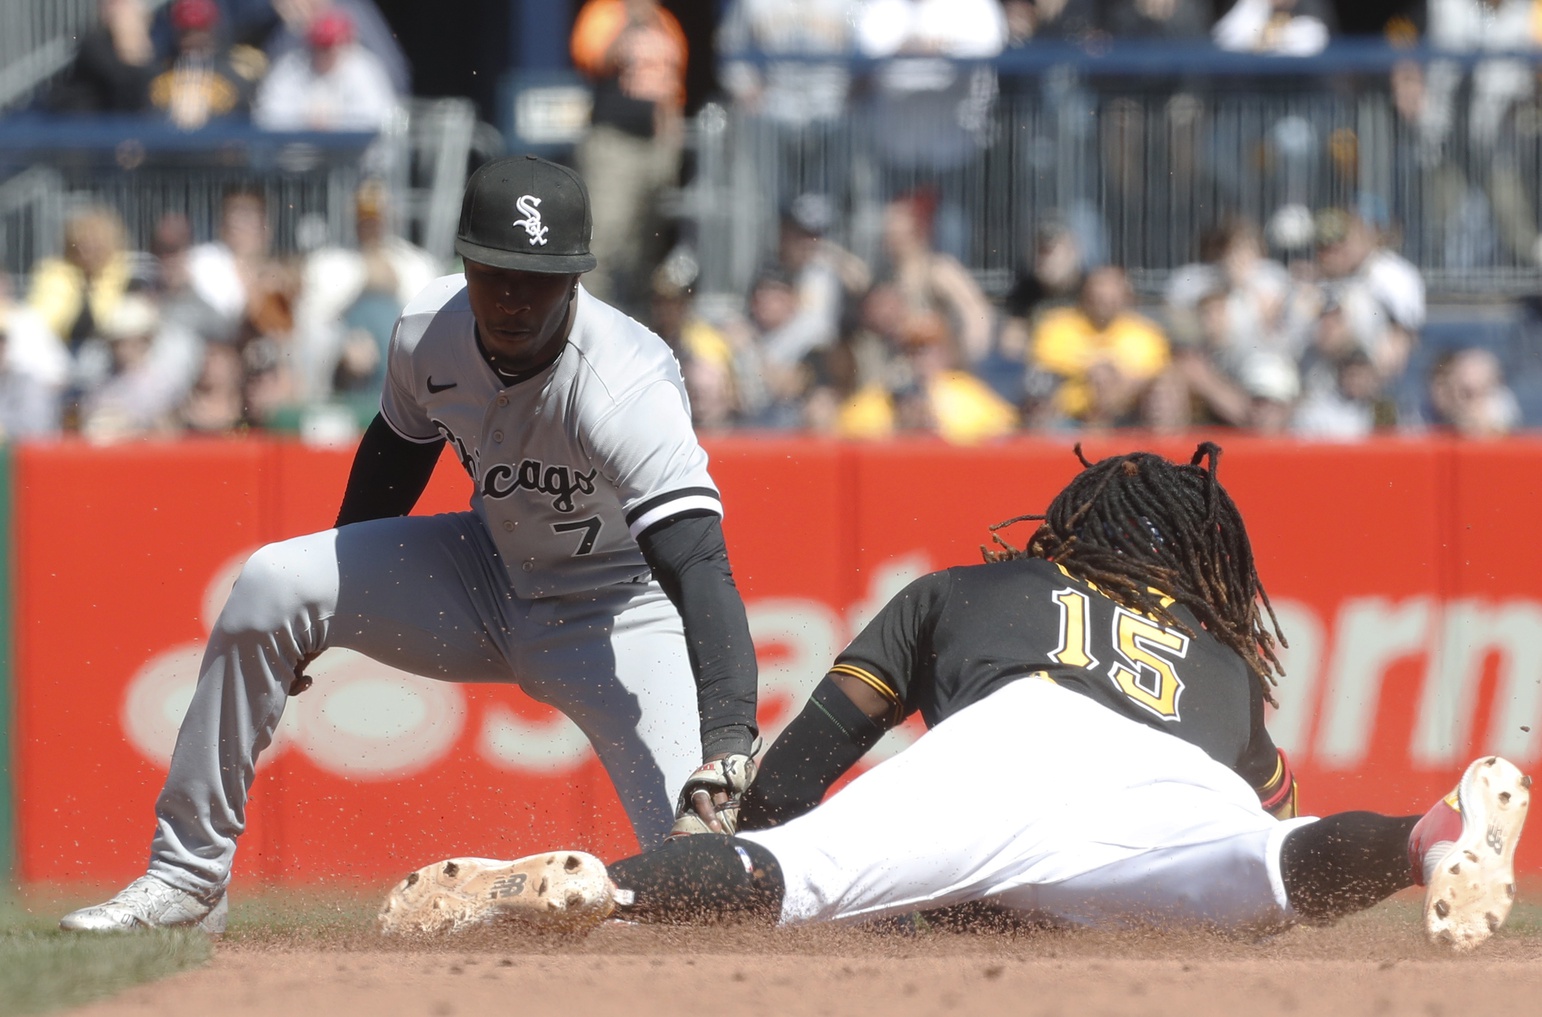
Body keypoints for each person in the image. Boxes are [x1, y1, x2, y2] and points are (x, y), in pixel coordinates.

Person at [377, 445, 1530, 955]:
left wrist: (749, 859)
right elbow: (1283, 813)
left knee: (797, 878)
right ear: (1195, 566)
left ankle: (605, 890)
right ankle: (1429, 838)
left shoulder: (970, 592)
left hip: (1010, 745)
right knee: (1272, 874)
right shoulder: (1226, 670)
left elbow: (808, 757)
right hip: (1181, 789)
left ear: (1074, 525)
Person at [59, 154, 761, 933]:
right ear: (465, 261)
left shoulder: (627, 383)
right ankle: (186, 879)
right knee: (271, 583)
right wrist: (323, 612)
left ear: (575, 279)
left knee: (710, 888)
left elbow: (699, 564)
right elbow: (395, 457)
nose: (515, 297)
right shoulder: (431, 327)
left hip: (618, 612)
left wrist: (727, 738)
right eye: (497, 272)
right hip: (487, 574)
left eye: (539, 277)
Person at [569, 0, 690, 316]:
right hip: (615, 144)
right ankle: (590, 322)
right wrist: (630, 21)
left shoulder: (665, 22)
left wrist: (671, 143)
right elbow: (593, 60)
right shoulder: (603, 13)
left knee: (647, 243)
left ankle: (638, 322)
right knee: (604, 240)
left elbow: (673, 88)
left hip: (656, 146)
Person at [251, 8, 400, 132]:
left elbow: (378, 117)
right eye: (319, 46)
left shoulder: (364, 69)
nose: (324, 52)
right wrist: (305, 120)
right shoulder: (291, 67)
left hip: (353, 160)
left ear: (345, 43)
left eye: (329, 46)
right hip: (298, 159)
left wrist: (335, 122)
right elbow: (267, 115)